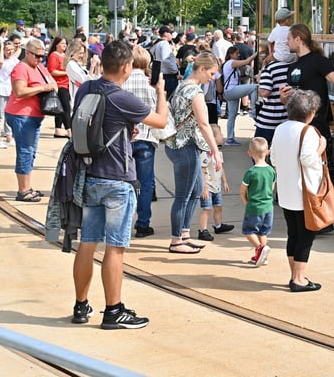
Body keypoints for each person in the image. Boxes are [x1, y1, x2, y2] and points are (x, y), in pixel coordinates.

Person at [71, 40, 168, 330]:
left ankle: (81, 305)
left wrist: (125, 127)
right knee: (115, 248)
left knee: (87, 243)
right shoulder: (122, 97)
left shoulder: (87, 88)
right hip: (117, 180)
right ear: (127, 67)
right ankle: (113, 311)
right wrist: (160, 93)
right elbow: (161, 122)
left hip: (89, 175)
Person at [164, 51, 223, 254]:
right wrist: (215, 151)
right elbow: (204, 124)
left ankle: (184, 234)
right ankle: (176, 240)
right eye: (212, 73)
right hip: (186, 146)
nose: (213, 77)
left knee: (196, 191)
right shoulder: (195, 92)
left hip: (177, 145)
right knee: (183, 195)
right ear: (202, 69)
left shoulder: (182, 86)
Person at [270, 89, 325, 292]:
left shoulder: (280, 128)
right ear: (310, 113)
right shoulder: (308, 132)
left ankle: (295, 275)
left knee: (293, 234)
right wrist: (321, 148)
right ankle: (298, 279)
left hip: (285, 192)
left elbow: (273, 158)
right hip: (305, 193)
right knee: (306, 235)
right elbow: (308, 160)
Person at [280, 24, 334, 142]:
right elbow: (287, 102)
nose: (286, 42)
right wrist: (283, 97)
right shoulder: (292, 66)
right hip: (296, 127)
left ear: (298, 39)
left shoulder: (319, 61)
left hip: (316, 126)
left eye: (288, 39)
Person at [4, 38, 57, 202]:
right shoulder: (21, 68)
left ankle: (27, 186)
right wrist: (42, 88)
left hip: (33, 115)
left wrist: (46, 86)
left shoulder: (40, 67)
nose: (40, 59)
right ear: (27, 53)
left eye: (42, 56)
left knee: (31, 152)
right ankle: (23, 190)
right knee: (25, 151)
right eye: (37, 56)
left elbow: (53, 84)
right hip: (21, 114)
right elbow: (19, 91)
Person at [122, 45, 159, 239]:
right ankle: (143, 223)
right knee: (146, 183)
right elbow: (156, 111)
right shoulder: (149, 85)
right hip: (146, 138)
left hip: (124, 139)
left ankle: (123, 221)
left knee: (124, 182)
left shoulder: (122, 84)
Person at [241, 137, 276, 266]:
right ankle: (262, 256)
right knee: (263, 232)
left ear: (249, 153)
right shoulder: (271, 170)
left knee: (248, 231)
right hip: (268, 207)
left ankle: (260, 249)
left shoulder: (251, 172)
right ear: (267, 152)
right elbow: (272, 187)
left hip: (254, 207)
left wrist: (246, 201)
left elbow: (243, 190)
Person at [197, 139, 233, 242]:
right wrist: (204, 188)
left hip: (217, 186)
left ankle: (218, 226)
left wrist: (225, 182)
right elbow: (202, 171)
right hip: (208, 187)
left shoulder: (219, 153)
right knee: (207, 209)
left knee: (218, 207)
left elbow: (221, 168)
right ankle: (202, 230)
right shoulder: (205, 154)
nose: (222, 136)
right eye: (220, 134)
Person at [221, 45, 258, 145]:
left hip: (229, 91)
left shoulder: (229, 64)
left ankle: (230, 138)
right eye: (236, 53)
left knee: (232, 116)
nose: (238, 55)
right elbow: (246, 62)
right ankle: (254, 110)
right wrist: (256, 54)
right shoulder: (231, 62)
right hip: (231, 90)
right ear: (231, 54)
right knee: (254, 87)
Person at [0, 39, 18, 149]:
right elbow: (1, 62)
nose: (10, 52)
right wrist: (2, 47)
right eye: (7, 50)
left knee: (9, 115)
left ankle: (9, 137)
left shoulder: (15, 61)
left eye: (11, 49)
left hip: (11, 90)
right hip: (0, 89)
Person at [46, 37, 71, 138]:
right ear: (56, 44)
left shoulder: (65, 55)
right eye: (62, 43)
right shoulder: (54, 55)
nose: (64, 45)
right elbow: (52, 71)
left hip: (67, 84)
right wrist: (67, 73)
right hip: (59, 85)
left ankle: (58, 129)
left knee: (60, 108)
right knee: (66, 108)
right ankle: (69, 130)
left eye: (65, 43)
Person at [65, 39, 101, 104]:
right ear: (72, 52)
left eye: (83, 53)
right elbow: (85, 81)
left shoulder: (79, 65)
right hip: (79, 100)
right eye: (80, 53)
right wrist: (92, 66)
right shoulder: (71, 65)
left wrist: (97, 67)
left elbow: (95, 79)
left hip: (86, 98)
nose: (82, 56)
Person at [152, 25, 180, 98]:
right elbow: (165, 59)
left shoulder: (157, 43)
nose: (171, 35)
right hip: (168, 76)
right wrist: (175, 71)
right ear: (165, 33)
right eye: (170, 33)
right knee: (170, 99)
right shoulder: (164, 43)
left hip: (159, 73)